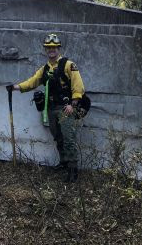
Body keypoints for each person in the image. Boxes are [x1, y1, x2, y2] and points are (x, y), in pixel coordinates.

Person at [7, 33, 85, 182]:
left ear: (58, 48)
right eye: (48, 47)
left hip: (66, 108)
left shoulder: (69, 65)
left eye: (54, 47)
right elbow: (32, 82)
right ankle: (64, 163)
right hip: (51, 108)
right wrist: (15, 87)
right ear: (45, 49)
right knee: (58, 138)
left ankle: (73, 170)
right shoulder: (44, 69)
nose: (51, 50)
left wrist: (72, 105)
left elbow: (78, 87)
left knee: (68, 139)